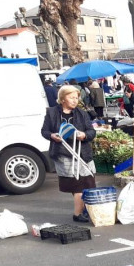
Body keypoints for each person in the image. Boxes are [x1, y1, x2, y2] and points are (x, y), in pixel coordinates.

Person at [41, 85, 97, 223]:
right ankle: (78, 213)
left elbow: (92, 131)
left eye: (76, 98)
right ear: (63, 98)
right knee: (76, 184)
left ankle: (83, 211)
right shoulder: (52, 113)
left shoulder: (82, 113)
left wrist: (84, 135)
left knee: (88, 181)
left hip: (82, 152)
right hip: (63, 153)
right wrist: (52, 136)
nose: (75, 100)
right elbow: (44, 131)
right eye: (71, 97)